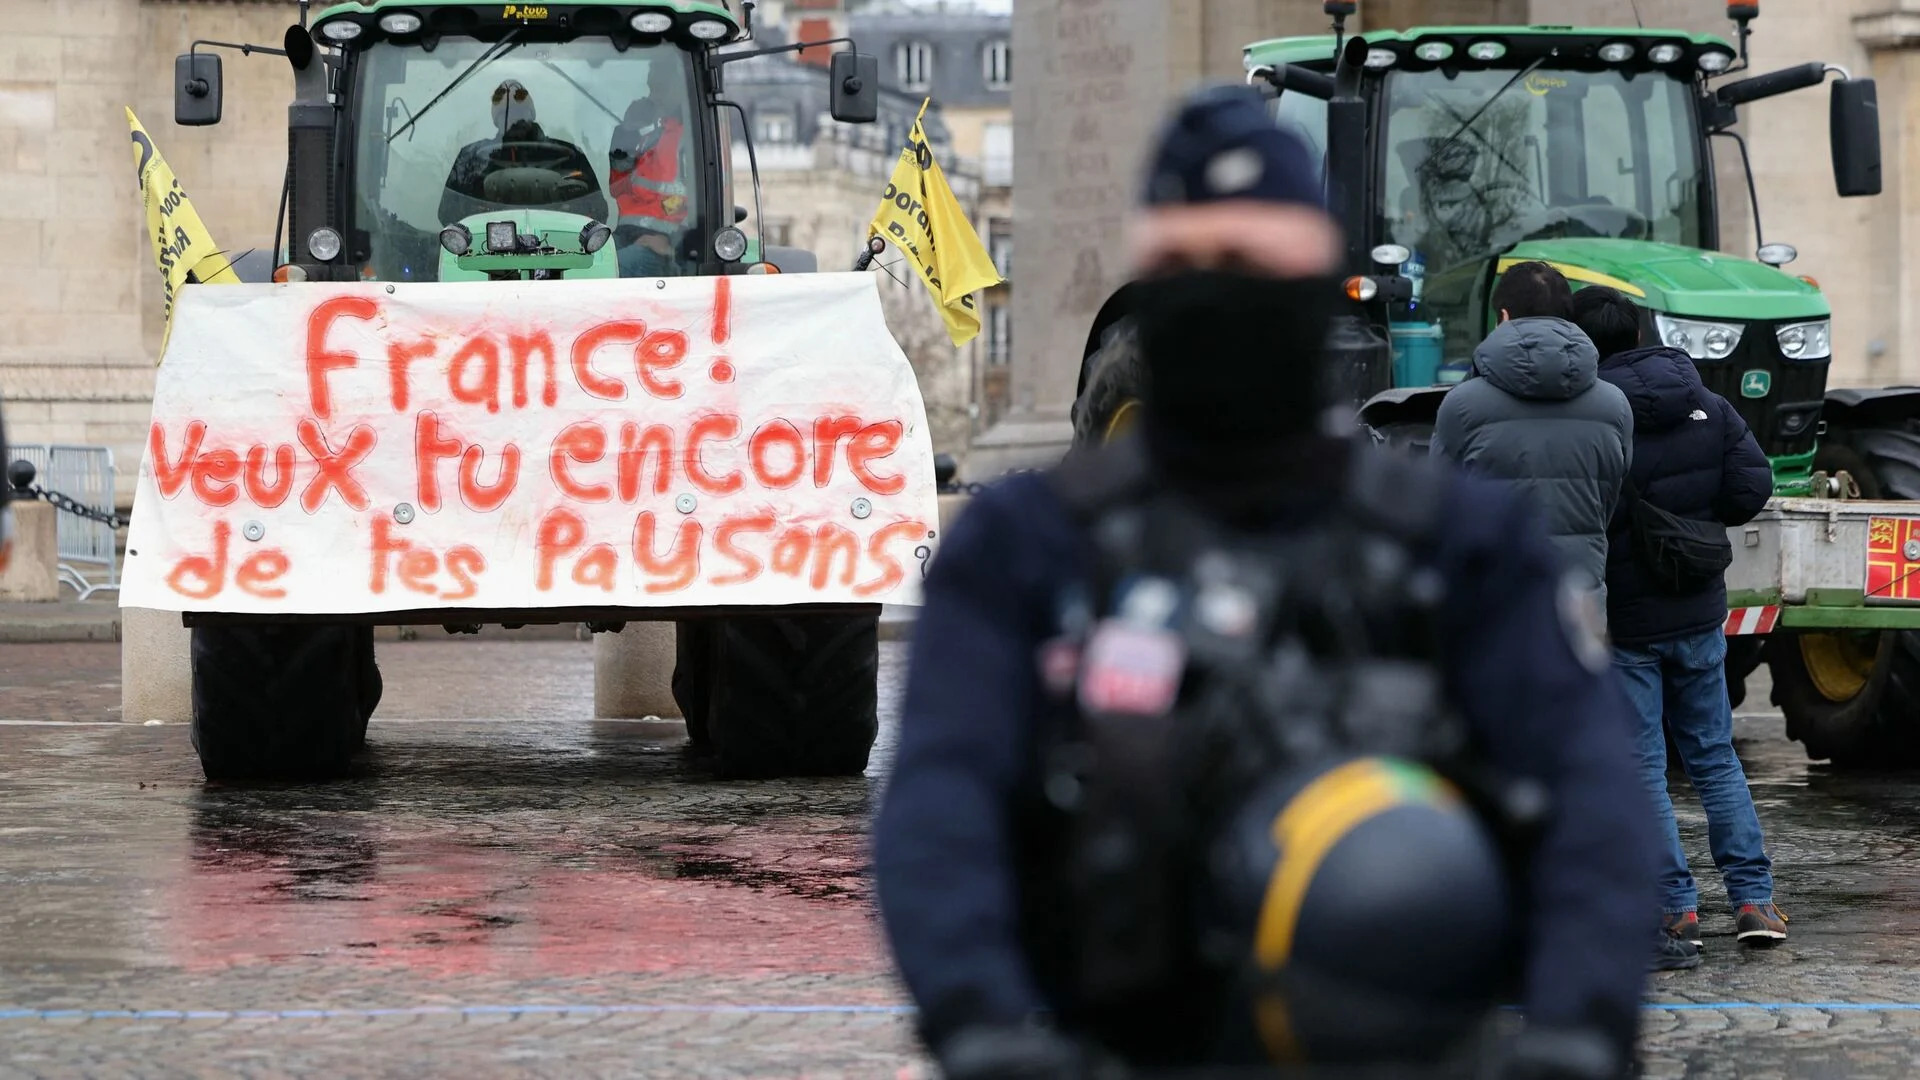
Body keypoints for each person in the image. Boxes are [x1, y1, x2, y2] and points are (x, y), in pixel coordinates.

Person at [873, 85, 1659, 1080]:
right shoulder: (1026, 547)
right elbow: (944, 798)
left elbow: (1590, 793)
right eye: (1185, 265)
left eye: (1251, 264)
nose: (1220, 294)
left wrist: (1578, 1027)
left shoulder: (1461, 542)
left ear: (1320, 279)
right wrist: (977, 1022)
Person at [1571, 286, 1785, 954]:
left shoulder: (1592, 412)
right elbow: (1752, 486)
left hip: (1629, 618)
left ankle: (1676, 911)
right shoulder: (1706, 400)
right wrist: (1693, 521)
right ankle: (1754, 902)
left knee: (1643, 767)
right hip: (1696, 609)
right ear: (1640, 332)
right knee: (1715, 756)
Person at [1430, 262, 1633, 611]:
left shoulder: (1462, 404)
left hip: (1490, 607)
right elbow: (1610, 497)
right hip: (1580, 610)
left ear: (1504, 317)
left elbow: (1440, 499)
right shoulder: (1614, 404)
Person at [439, 79, 603, 228]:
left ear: (531, 115)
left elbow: (598, 210)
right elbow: (448, 213)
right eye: (507, 115)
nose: (515, 121)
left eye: (521, 114)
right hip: (486, 250)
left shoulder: (570, 157)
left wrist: (570, 207)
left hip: (562, 247)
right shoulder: (472, 160)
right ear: (496, 120)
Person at [609, 61, 692, 278]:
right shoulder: (651, 136)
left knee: (605, 272)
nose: (651, 86)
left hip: (661, 245)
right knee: (583, 262)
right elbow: (618, 189)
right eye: (651, 82)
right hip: (627, 235)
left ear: (680, 85)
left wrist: (672, 244)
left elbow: (702, 199)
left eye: (660, 83)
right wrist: (626, 133)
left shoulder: (692, 138)